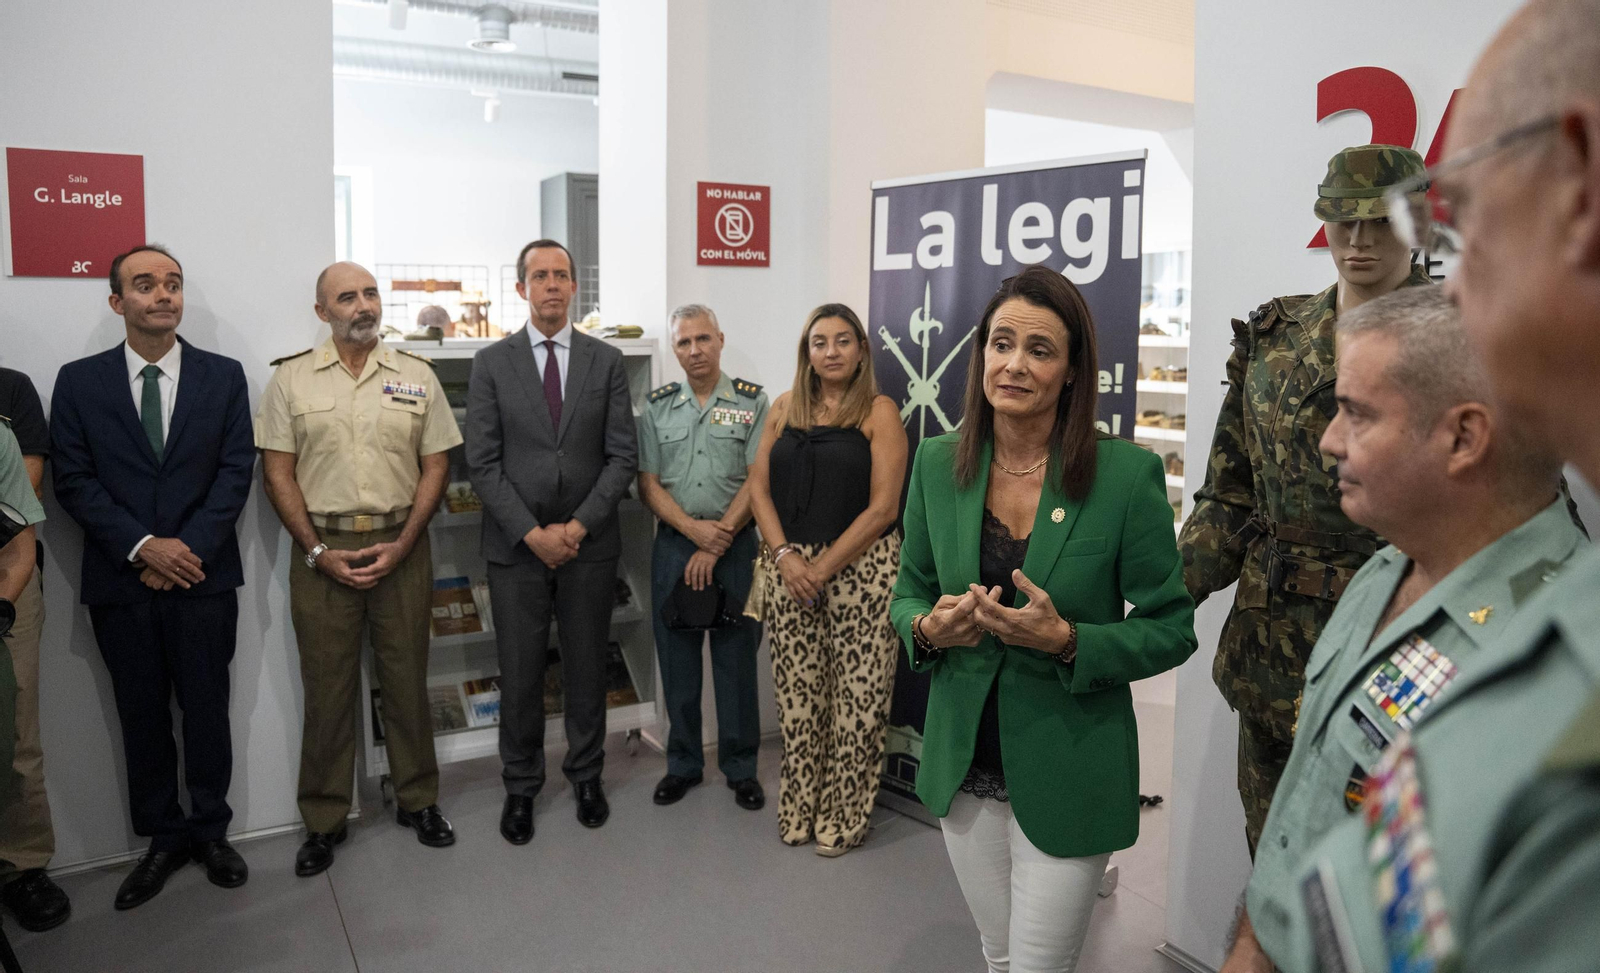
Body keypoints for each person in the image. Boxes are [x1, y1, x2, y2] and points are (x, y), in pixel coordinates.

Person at [1265, 3, 1600, 969]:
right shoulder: (1399, 575)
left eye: (1477, 221)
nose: (1456, 289)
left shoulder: (1544, 629)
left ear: (1578, 190)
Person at [1218, 288, 1583, 973]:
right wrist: (1254, 942)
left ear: (1463, 438)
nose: (1328, 441)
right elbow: (1302, 821)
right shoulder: (1382, 571)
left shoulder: (1555, 663)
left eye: (1356, 414)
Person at [891, 266, 1196, 973]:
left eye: (1039, 349)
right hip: (964, 761)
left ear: (1072, 371)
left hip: (1071, 761)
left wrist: (1069, 641)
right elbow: (907, 592)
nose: (1014, 364)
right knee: (999, 955)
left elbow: (1172, 624)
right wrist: (930, 629)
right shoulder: (939, 462)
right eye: (1001, 343)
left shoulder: (1124, 477)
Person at [1180, 144, 1435, 854]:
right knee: (1275, 865)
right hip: (1270, 653)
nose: (1356, 241)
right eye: (1340, 221)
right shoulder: (1276, 339)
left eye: (1379, 221)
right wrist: (1155, 592)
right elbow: (1229, 498)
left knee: (1378, 886)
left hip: (1394, 652)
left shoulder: (1468, 343)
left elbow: (1516, 522)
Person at [50, 245, 255, 909]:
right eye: (144, 285)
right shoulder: (78, 382)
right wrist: (142, 546)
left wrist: (184, 548)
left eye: (172, 284)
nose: (162, 295)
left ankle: (210, 830)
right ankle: (163, 838)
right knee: (140, 716)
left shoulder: (223, 377)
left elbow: (234, 471)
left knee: (206, 710)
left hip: (203, 575)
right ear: (118, 302)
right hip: (121, 582)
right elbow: (72, 479)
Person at [257, 261, 463, 876]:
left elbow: (436, 466)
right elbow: (277, 472)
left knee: (407, 681)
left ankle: (418, 801)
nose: (363, 305)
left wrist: (403, 544)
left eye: (370, 293)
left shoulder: (416, 375)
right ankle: (323, 818)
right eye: (347, 297)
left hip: (402, 546)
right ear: (322, 312)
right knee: (327, 690)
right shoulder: (291, 380)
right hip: (323, 551)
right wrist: (317, 552)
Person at [465, 239, 637, 843]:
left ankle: (587, 775)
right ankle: (520, 788)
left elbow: (622, 457)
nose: (553, 286)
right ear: (521, 289)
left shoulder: (605, 361)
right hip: (517, 549)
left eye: (562, 275)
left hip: (589, 545)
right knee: (519, 672)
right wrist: (533, 533)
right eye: (540, 276)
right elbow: (482, 464)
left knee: (588, 666)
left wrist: (577, 526)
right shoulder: (492, 364)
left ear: (574, 287)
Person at [747, 302, 906, 856]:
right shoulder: (784, 406)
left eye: (843, 341)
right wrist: (787, 557)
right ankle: (798, 806)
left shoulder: (879, 412)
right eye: (820, 342)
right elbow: (759, 489)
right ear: (806, 351)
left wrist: (820, 566)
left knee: (858, 705)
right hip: (790, 573)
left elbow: (884, 509)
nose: (831, 351)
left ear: (861, 349)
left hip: (863, 574)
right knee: (798, 700)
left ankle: (844, 814)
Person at [637, 304, 767, 811]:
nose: (694, 350)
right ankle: (684, 765)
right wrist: (694, 532)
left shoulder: (754, 404)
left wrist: (718, 540)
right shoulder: (656, 406)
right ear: (674, 348)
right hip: (674, 546)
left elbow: (759, 481)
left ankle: (740, 768)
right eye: (684, 342)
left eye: (703, 339)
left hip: (735, 550)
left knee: (737, 663)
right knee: (678, 663)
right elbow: (647, 484)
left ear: (720, 338)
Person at [0, 367, 69, 932]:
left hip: (7, 585)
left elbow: (24, 488)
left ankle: (21, 866)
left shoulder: (8, 392)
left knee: (14, 731)